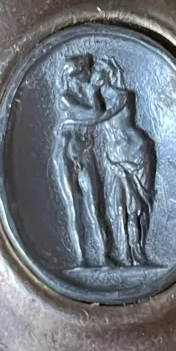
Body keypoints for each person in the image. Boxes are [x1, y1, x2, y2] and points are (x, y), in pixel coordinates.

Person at [91, 58, 156, 267]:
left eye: (97, 72)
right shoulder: (97, 100)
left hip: (135, 152)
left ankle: (137, 252)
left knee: (134, 208)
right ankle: (124, 253)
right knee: (116, 207)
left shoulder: (123, 96)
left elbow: (102, 116)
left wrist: (89, 95)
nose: (93, 76)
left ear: (107, 74)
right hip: (113, 156)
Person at [52, 55, 111, 267]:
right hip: (65, 155)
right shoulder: (64, 98)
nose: (90, 74)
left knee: (95, 206)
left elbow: (98, 114)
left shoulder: (88, 95)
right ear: (77, 75)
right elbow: (95, 115)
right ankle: (81, 258)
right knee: (74, 206)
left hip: (86, 152)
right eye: (87, 71)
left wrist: (93, 94)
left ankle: (104, 257)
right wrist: (93, 92)